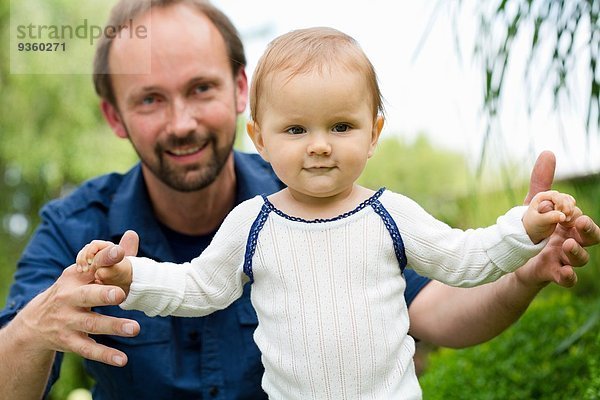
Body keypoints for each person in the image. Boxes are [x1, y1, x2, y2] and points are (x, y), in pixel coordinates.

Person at [0, 0, 598, 399]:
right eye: (150, 98)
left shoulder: (384, 214)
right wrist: (111, 285)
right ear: (114, 115)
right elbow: (194, 286)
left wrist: (522, 251)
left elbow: (452, 275)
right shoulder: (92, 227)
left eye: (200, 87)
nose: (318, 148)